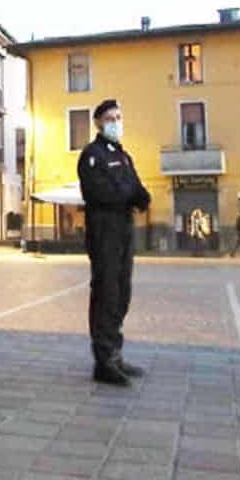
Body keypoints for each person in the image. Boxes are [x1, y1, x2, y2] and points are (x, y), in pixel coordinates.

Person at [77, 98, 151, 386]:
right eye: (111, 118)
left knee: (122, 292)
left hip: (124, 229)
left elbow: (137, 187)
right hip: (104, 229)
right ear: (98, 123)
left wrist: (139, 196)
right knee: (106, 292)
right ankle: (103, 360)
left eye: (119, 117)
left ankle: (116, 354)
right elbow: (100, 193)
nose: (116, 123)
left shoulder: (123, 155)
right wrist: (129, 193)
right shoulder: (92, 155)